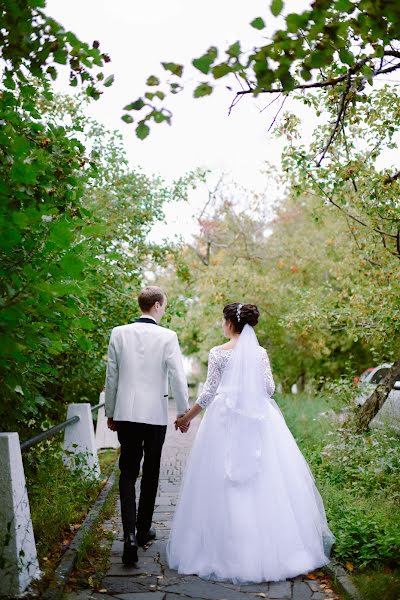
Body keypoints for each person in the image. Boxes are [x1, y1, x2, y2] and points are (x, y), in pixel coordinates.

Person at [167, 302, 335, 583]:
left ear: (230, 323)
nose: (222, 325)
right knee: (263, 478)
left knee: (221, 480)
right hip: (257, 417)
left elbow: (208, 393)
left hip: (223, 419)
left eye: (223, 320)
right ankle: (266, 552)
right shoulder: (260, 354)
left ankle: (222, 549)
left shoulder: (218, 353)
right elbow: (268, 389)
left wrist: (186, 418)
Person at [105, 285, 189, 566]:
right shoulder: (168, 337)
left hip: (126, 414)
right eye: (163, 305)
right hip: (154, 415)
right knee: (151, 471)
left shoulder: (119, 333)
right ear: (155, 306)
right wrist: (183, 412)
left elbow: (112, 375)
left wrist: (111, 411)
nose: (164, 310)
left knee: (127, 472)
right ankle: (143, 531)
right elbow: (178, 375)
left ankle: (128, 535)